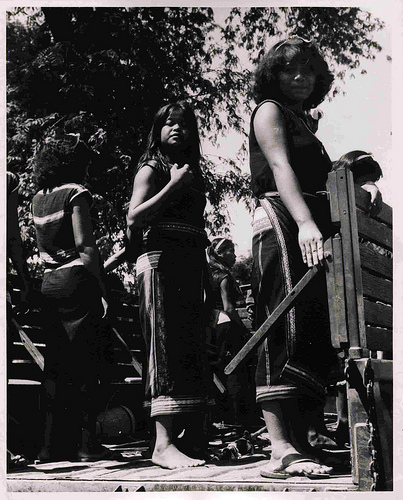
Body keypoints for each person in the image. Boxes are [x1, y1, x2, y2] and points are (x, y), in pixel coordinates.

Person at [249, 36, 339, 479]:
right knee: (281, 324)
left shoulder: (304, 120)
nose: (300, 77)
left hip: (307, 222)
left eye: (307, 69)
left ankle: (305, 440)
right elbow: (281, 169)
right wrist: (305, 222)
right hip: (282, 220)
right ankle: (279, 447)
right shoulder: (270, 110)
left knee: (311, 328)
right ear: (274, 75)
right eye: (289, 70)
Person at [126, 101, 210, 469]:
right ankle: (161, 444)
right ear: (158, 130)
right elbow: (134, 216)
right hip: (160, 260)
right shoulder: (152, 167)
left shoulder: (192, 169)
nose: (176, 129)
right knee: (164, 347)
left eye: (184, 125)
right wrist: (173, 187)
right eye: (169, 124)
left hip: (190, 260)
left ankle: (186, 437)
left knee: (189, 346)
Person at [31, 133, 119, 463]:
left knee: (55, 367)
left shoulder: (37, 199)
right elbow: (85, 246)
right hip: (76, 281)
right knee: (86, 364)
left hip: (49, 284)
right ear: (75, 162)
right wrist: (101, 287)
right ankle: (85, 446)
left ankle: (49, 447)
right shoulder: (76, 193)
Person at [206, 237, 252, 427]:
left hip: (213, 327)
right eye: (230, 250)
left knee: (222, 369)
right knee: (235, 367)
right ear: (221, 253)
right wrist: (243, 330)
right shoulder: (224, 277)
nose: (234, 255)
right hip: (226, 325)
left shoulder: (209, 275)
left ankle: (225, 416)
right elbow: (229, 308)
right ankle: (238, 417)